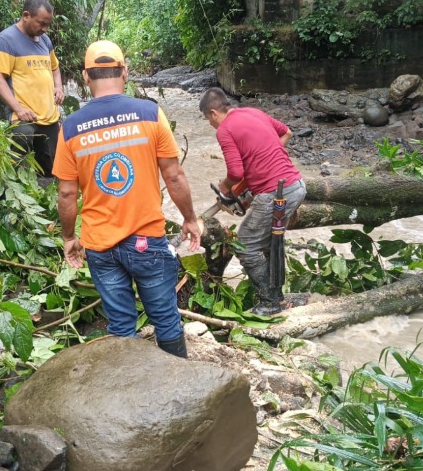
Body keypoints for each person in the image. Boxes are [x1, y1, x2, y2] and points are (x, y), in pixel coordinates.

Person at [53, 40, 201, 358]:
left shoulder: (71, 127)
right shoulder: (150, 113)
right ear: (124, 71)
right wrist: (190, 218)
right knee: (165, 320)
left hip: (100, 246)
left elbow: (66, 192)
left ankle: (128, 399)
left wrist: (69, 237)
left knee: (121, 327)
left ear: (85, 77)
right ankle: (180, 394)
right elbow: (173, 176)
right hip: (146, 239)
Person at [199, 87, 308, 316]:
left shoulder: (225, 129)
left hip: (276, 193)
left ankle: (269, 303)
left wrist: (225, 186)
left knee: (246, 244)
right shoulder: (252, 112)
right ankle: (278, 299)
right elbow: (287, 132)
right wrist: (264, 160)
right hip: (295, 186)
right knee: (270, 245)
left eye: (208, 119)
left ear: (213, 112)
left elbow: (236, 172)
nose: (210, 124)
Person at [0, 0, 65, 180]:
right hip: (23, 116)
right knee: (19, 157)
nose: (45, 29)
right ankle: (14, 198)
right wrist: (19, 109)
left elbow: (55, 68)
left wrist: (59, 87)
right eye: (41, 23)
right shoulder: (6, 40)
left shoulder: (45, 41)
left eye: (48, 24)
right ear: (26, 16)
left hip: (49, 116)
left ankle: (45, 203)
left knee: (50, 168)